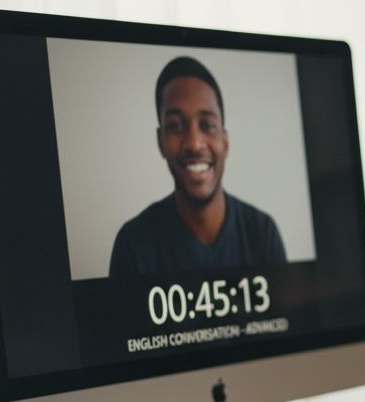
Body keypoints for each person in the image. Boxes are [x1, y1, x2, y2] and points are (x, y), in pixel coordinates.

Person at [109, 56, 287, 277]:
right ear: (160, 141)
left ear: (225, 141)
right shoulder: (133, 245)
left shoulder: (262, 233)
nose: (194, 143)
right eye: (175, 126)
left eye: (207, 125)